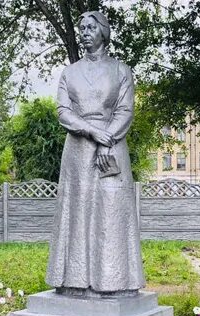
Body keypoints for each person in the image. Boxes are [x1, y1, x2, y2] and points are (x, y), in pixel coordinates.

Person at [45, 11, 144, 297]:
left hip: (112, 147)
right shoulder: (70, 72)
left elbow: (125, 110)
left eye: (91, 27)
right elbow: (63, 112)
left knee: (111, 212)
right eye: (82, 28)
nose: (85, 32)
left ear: (103, 31)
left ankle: (115, 283)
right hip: (77, 149)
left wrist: (105, 139)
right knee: (76, 210)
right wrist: (90, 131)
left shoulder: (121, 71)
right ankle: (73, 282)